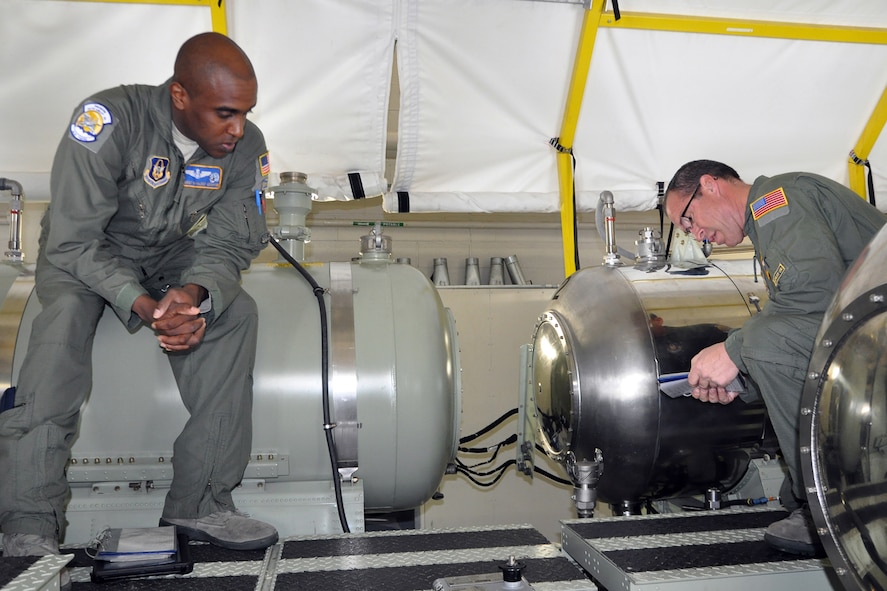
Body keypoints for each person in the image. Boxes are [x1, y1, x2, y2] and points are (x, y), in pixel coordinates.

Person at [0, 32, 279, 584]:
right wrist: (147, 306)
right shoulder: (107, 120)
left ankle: (200, 503)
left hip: (172, 254)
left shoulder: (247, 149)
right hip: (84, 253)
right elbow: (75, 242)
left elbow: (229, 242)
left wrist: (194, 296)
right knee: (57, 341)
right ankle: (28, 520)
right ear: (180, 96)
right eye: (225, 113)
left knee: (235, 314)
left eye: (246, 113)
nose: (238, 128)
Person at [664, 160, 885, 555]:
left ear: (710, 185)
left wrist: (735, 351)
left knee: (763, 340)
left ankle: (827, 507)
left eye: (689, 219)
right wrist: (739, 378)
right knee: (758, 342)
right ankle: (823, 492)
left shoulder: (774, 201)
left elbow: (814, 299)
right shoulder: (772, 219)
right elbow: (812, 326)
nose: (696, 235)